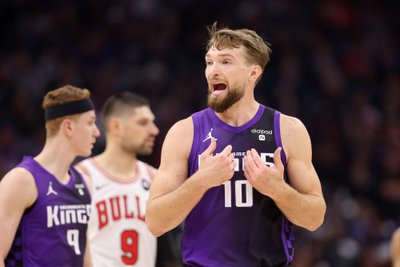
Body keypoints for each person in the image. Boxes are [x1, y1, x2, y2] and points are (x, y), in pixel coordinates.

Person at [145, 23, 326, 267]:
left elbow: (315, 218)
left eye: (226, 62)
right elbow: (155, 222)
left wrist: (276, 188)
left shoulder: (288, 130)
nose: (213, 71)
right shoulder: (184, 132)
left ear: (253, 73)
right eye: (209, 62)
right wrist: (201, 181)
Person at [76, 91, 181, 267]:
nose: (154, 130)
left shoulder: (154, 177)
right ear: (116, 126)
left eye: (152, 122)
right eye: (143, 123)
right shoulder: (82, 176)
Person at [0, 85, 100, 267]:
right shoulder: (22, 180)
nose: (97, 132)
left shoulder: (84, 182)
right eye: (90, 122)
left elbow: (84, 258)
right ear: (68, 127)